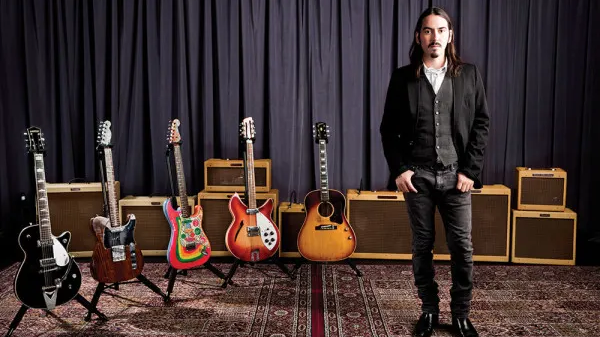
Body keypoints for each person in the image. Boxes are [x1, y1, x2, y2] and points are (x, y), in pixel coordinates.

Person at [380, 7, 489, 337]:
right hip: (419, 178)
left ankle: (460, 313)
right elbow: (388, 129)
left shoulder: (468, 75)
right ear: (419, 37)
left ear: (450, 36)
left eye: (441, 30)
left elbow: (481, 123)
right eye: (428, 31)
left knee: (462, 248)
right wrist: (400, 170)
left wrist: (470, 170)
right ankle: (428, 310)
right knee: (421, 246)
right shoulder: (403, 78)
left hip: (458, 177)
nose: (435, 37)